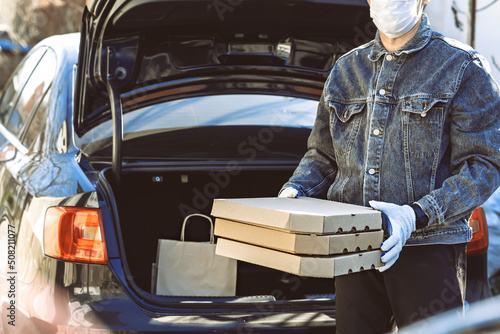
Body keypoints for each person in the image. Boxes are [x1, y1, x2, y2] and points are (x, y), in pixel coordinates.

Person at [279, 0, 500, 332]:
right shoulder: (346, 69)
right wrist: (296, 189)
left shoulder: (462, 67)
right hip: (353, 248)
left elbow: (485, 165)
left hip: (429, 250)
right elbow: (323, 156)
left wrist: (414, 215)